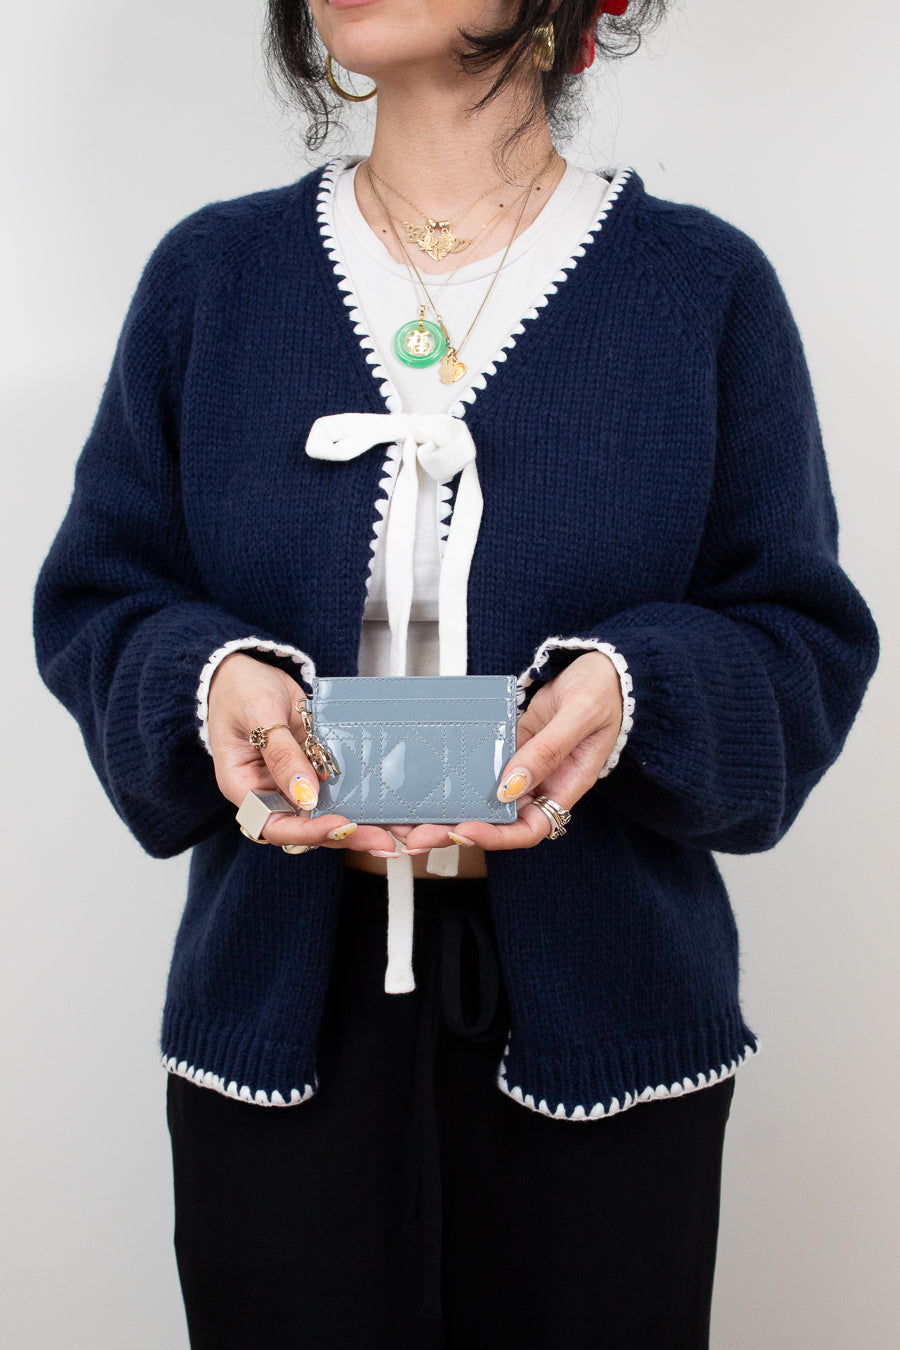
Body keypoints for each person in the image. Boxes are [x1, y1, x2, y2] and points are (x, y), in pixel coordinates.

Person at [33, 1, 878, 1346]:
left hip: (609, 1031)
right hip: (275, 1029)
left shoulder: (700, 289)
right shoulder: (214, 279)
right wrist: (210, 681)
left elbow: (801, 638)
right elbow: (100, 597)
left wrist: (629, 688)